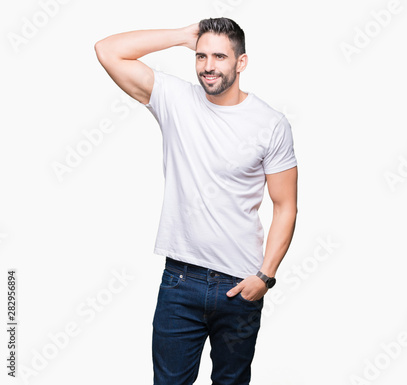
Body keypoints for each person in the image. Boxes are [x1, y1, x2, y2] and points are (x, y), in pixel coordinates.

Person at [95, 17, 298, 385]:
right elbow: (107, 51)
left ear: (241, 62)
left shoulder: (271, 124)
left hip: (240, 285)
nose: (208, 66)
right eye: (201, 56)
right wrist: (181, 36)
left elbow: (286, 205)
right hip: (180, 282)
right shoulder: (174, 98)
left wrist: (265, 277)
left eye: (220, 56)